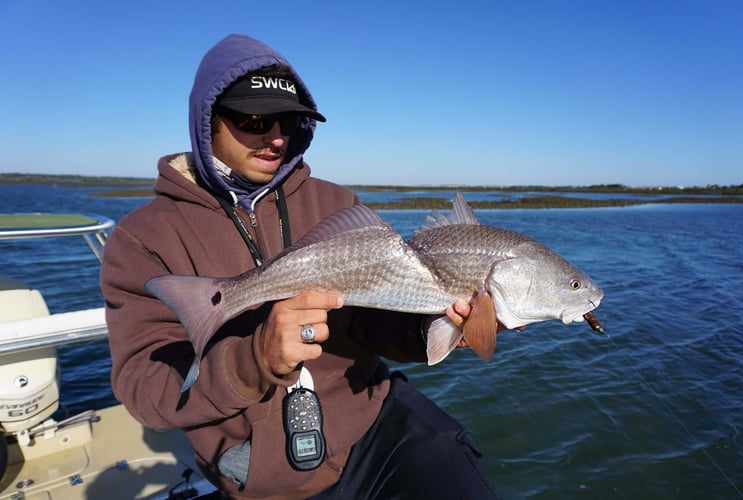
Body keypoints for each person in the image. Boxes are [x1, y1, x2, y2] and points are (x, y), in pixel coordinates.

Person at [100, 34, 499, 499]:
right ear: (206, 119)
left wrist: (436, 321)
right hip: (265, 470)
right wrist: (255, 359)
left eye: (288, 120)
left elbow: (369, 323)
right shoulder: (142, 237)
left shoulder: (336, 203)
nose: (275, 137)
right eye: (252, 118)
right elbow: (145, 389)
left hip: (369, 420)